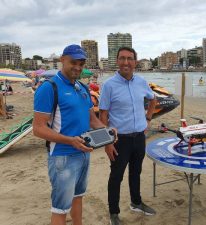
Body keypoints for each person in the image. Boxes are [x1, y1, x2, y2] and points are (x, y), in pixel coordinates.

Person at [33, 44, 110, 225]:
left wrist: (108, 133)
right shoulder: (48, 88)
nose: (77, 67)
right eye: (73, 62)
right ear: (62, 60)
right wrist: (70, 141)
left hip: (84, 153)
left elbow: (93, 120)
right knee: (60, 209)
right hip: (62, 157)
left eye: (81, 63)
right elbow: (38, 128)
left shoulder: (82, 88)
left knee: (78, 198)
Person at [99, 47, 157, 225]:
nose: (126, 62)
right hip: (119, 140)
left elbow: (153, 99)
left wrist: (148, 118)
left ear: (135, 62)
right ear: (117, 61)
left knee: (136, 172)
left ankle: (136, 202)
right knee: (116, 176)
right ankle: (114, 213)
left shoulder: (141, 82)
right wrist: (107, 143)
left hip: (139, 137)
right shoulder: (109, 85)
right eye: (122, 58)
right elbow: (103, 116)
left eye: (130, 59)